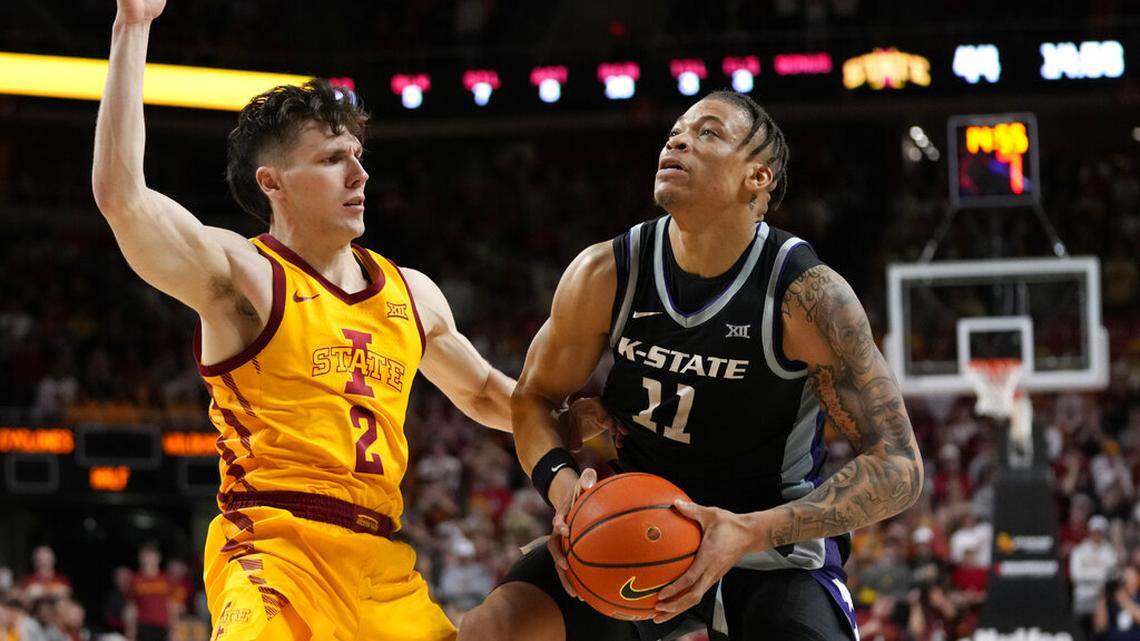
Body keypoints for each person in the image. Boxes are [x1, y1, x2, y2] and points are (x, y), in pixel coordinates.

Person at [91, 2, 606, 639]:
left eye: (358, 155)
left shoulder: (412, 293)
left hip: (382, 566)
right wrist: (133, 24)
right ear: (272, 181)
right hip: (274, 550)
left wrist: (584, 439)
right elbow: (122, 198)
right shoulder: (245, 277)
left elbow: (484, 393)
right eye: (334, 158)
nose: (360, 173)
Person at [460, 90, 923, 640]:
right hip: (634, 528)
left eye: (708, 132)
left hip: (768, 547)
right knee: (492, 630)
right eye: (676, 130)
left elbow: (900, 466)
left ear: (758, 178)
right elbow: (533, 397)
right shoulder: (606, 272)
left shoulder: (807, 298)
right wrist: (566, 490)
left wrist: (748, 532)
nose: (677, 139)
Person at [124, 545, 175, 641]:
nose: (149, 560)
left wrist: (173, 630)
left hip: (162, 626)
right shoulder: (136, 580)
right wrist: (130, 631)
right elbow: (131, 607)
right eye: (146, 557)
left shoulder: (165, 579)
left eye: (152, 557)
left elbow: (171, 605)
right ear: (140, 558)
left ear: (158, 558)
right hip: (143, 626)